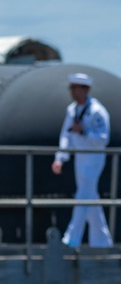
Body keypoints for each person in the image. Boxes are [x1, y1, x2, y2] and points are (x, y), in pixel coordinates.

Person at [52, 72, 112, 247]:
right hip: (80, 158)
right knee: (90, 199)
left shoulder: (97, 111)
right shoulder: (72, 110)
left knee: (83, 196)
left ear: (85, 89)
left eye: (75, 88)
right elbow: (66, 134)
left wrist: (84, 131)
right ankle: (102, 242)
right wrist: (60, 158)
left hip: (93, 158)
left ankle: (71, 239)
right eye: (71, 88)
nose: (72, 92)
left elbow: (103, 139)